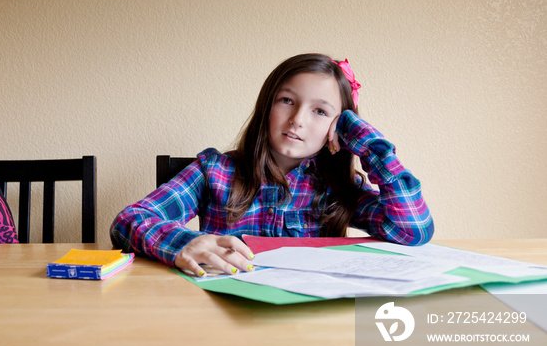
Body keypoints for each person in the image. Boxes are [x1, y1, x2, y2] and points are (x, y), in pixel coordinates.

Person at [110, 53, 434, 277]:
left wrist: (372, 147)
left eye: (320, 112)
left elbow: (413, 231)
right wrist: (184, 243)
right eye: (287, 101)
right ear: (268, 105)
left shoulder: (341, 188)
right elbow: (128, 221)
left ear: (339, 127)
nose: (297, 120)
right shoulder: (215, 171)